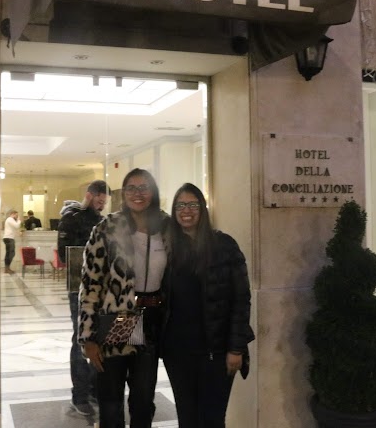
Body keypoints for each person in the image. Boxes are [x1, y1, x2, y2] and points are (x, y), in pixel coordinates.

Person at [78, 168, 171, 428]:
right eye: (131, 188)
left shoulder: (167, 227)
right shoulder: (107, 228)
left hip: (152, 317)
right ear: (123, 193)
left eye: (144, 187)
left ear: (153, 192)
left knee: (143, 400)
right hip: (121, 317)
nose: (137, 193)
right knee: (110, 400)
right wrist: (88, 337)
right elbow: (90, 284)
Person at [161, 183, 254, 428]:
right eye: (180, 205)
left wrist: (236, 348)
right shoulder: (167, 248)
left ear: (203, 208)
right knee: (187, 418)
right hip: (177, 352)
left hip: (217, 351)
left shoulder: (224, 245)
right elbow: (156, 297)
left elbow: (241, 299)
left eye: (193, 204)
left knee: (212, 419)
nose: (186, 210)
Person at [57, 179, 110, 417]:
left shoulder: (102, 221)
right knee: (81, 339)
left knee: (99, 338)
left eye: (104, 201)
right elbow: (64, 254)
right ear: (89, 195)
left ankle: (94, 389)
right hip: (77, 287)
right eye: (98, 199)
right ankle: (79, 395)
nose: (101, 203)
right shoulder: (71, 218)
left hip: (101, 288)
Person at [2, 209, 22, 274]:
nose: (17, 217)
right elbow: (17, 226)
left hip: (9, 238)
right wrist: (19, 220)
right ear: (12, 214)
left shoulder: (10, 220)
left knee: (10, 253)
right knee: (10, 253)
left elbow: (13, 229)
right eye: (16, 215)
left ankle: (7, 268)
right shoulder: (10, 219)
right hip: (9, 238)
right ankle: (7, 268)